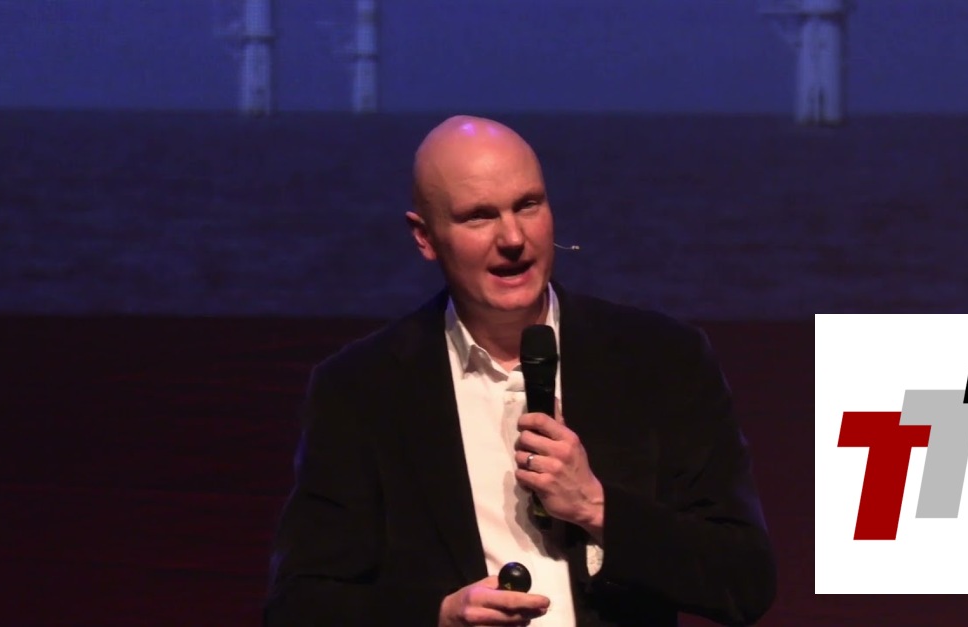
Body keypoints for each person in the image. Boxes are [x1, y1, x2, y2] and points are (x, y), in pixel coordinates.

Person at [264, 115, 776, 626]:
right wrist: (439, 617)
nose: (513, 237)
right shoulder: (361, 390)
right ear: (425, 237)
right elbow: (298, 607)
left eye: (528, 205)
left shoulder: (661, 358)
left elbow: (744, 580)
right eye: (479, 217)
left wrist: (596, 507)